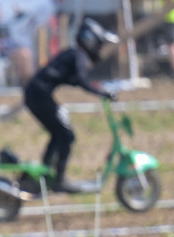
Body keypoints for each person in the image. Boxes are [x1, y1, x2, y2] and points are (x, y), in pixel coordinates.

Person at [23, 18, 118, 193]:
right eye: (98, 44)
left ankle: (47, 175)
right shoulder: (78, 55)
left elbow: (73, 79)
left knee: (59, 133)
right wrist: (103, 93)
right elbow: (82, 80)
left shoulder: (74, 54)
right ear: (89, 40)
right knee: (66, 135)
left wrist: (97, 88)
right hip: (38, 96)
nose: (98, 49)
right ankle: (58, 180)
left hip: (36, 95)